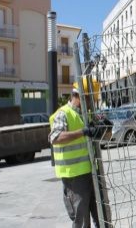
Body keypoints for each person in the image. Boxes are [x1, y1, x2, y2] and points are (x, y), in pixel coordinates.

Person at [49, 88, 99, 228]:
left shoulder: (85, 114)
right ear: (78, 96)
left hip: (90, 171)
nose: (92, 102)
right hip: (74, 175)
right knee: (82, 220)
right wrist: (82, 132)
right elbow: (55, 137)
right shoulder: (63, 114)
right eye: (90, 98)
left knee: (100, 214)